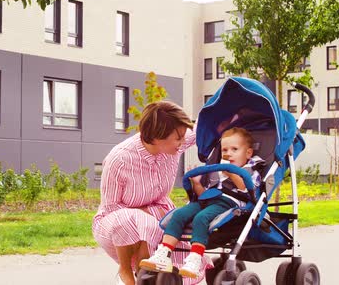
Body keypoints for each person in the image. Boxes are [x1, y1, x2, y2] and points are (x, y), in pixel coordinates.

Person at [92, 100, 204, 285]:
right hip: (116, 224)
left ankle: (146, 275)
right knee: (138, 220)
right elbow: (111, 208)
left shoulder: (173, 145)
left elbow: (200, 127)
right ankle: (127, 270)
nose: (183, 142)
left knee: (178, 264)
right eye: (178, 138)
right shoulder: (119, 159)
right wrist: (151, 213)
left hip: (158, 216)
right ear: (158, 137)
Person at [139, 127, 265, 279]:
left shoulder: (251, 170)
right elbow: (204, 195)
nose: (228, 153)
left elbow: (246, 189)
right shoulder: (217, 171)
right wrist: (197, 184)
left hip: (229, 203)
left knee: (201, 218)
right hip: (208, 200)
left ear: (248, 153)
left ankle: (195, 259)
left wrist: (231, 172)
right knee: (178, 214)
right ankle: (163, 253)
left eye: (234, 149)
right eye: (224, 149)